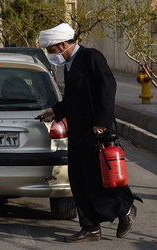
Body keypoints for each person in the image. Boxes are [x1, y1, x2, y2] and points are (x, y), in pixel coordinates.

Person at [38, 23, 141, 243]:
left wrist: (101, 122)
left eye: (52, 50)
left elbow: (108, 86)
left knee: (99, 180)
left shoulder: (91, 57)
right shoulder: (69, 64)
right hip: (77, 133)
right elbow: (73, 98)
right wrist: (55, 111)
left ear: (64, 44)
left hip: (96, 133)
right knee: (78, 181)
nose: (51, 54)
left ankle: (125, 209)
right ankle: (91, 228)